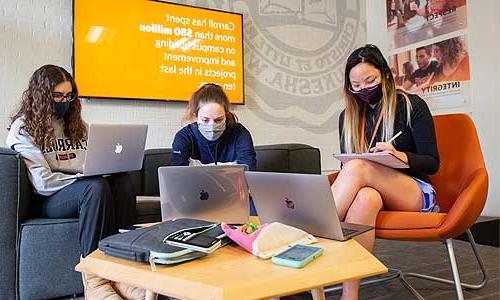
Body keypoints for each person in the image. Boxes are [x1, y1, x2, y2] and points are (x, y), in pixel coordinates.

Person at [6, 65, 145, 300]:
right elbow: (43, 183)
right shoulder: (23, 129)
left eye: (69, 96)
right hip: (49, 199)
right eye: (58, 96)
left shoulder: (77, 126)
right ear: (41, 95)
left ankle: (123, 271)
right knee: (94, 186)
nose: (64, 101)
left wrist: (106, 169)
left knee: (122, 180)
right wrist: (86, 178)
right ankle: (95, 280)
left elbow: (95, 161)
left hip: (84, 188)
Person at [331, 45, 440, 300]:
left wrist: (396, 156)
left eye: (370, 81)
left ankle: (311, 229)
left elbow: (432, 163)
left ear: (386, 76)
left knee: (358, 166)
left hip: (415, 192)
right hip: (373, 191)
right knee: (365, 197)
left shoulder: (412, 106)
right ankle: (350, 295)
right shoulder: (347, 118)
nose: (363, 89)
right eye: (355, 85)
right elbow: (346, 173)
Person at [171, 83, 257, 213]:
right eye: (205, 120)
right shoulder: (184, 137)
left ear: (226, 115)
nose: (212, 126)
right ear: (195, 116)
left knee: (254, 208)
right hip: (196, 199)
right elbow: (176, 180)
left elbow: (249, 175)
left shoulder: (240, 134)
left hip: (236, 200)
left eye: (218, 120)